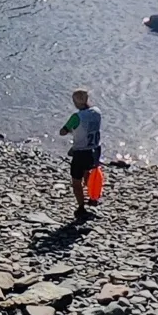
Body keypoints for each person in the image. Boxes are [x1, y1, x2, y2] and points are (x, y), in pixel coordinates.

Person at [59, 88, 103, 223]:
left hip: (81, 152)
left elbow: (63, 132)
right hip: (94, 150)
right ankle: (93, 197)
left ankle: (81, 207)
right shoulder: (97, 112)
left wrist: (70, 130)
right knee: (88, 173)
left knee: (76, 182)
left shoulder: (76, 117)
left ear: (76, 102)